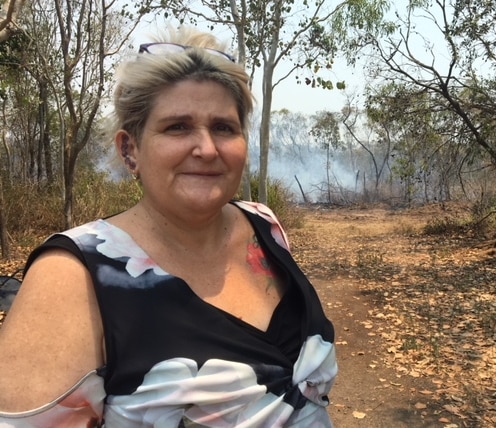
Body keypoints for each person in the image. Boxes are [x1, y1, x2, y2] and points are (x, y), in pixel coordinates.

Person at [0, 27, 337, 427]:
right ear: (130, 150)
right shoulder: (73, 274)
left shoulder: (263, 224)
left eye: (224, 128)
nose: (207, 149)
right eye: (177, 126)